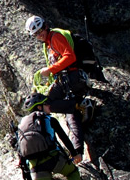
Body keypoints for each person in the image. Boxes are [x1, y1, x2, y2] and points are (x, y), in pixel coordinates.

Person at [25, 15, 87, 160]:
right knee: (71, 113)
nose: (40, 35)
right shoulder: (48, 44)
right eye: (36, 34)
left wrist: (51, 70)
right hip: (67, 80)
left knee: (46, 103)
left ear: (45, 27)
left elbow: (70, 56)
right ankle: (77, 152)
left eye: (41, 31)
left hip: (73, 77)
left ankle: (78, 105)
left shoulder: (55, 37)